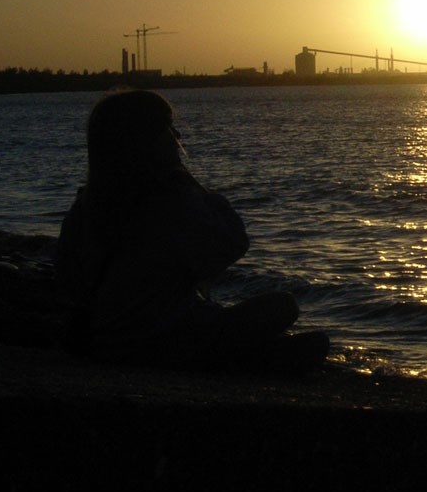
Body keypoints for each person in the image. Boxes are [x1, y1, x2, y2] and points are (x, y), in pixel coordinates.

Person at [56, 88, 328, 372]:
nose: (178, 138)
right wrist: (193, 187)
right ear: (149, 142)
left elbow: (67, 281)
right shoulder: (169, 203)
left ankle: (254, 357)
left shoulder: (84, 207)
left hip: (101, 344)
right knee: (284, 307)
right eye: (169, 129)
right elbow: (232, 244)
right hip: (165, 343)